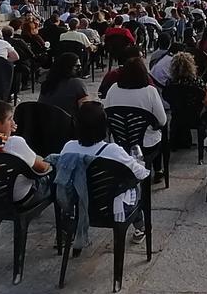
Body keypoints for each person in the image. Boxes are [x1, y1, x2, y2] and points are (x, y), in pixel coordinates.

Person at [56, 100, 150, 240]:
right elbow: (141, 173)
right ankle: (140, 226)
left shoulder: (68, 148)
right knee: (134, 187)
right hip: (109, 210)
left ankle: (66, 232)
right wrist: (138, 161)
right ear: (104, 127)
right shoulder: (113, 151)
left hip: (78, 206)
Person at [104, 56, 169, 151]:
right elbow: (162, 121)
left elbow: (107, 115)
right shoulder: (150, 91)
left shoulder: (113, 89)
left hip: (119, 143)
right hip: (146, 144)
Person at [38, 52, 89, 116]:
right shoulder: (77, 83)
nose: (80, 68)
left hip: (46, 123)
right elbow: (86, 111)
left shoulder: (47, 84)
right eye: (77, 66)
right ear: (68, 67)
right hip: (67, 123)